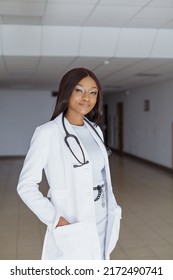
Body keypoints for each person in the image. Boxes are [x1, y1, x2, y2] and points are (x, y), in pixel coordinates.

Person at [17, 67, 121, 260]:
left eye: (93, 92)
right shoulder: (47, 133)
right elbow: (25, 186)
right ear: (67, 91)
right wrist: (56, 220)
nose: (86, 98)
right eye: (79, 90)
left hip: (103, 217)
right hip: (74, 222)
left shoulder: (95, 130)